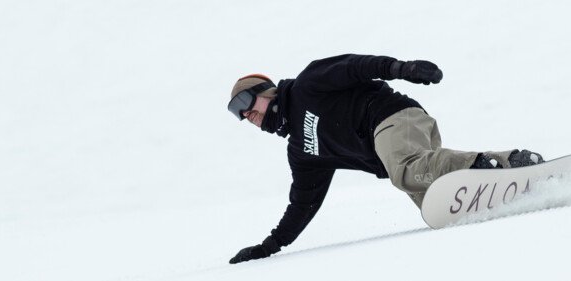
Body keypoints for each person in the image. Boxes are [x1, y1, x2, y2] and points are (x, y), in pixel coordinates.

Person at [225, 54, 544, 264]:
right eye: (241, 115)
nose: (248, 115)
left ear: (267, 91)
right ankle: (517, 179)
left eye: (247, 103)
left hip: (392, 118)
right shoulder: (301, 152)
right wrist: (270, 246)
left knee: (403, 171)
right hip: (403, 147)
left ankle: (496, 163)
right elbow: (303, 203)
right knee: (440, 207)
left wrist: (401, 69)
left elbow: (355, 67)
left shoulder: (308, 84)